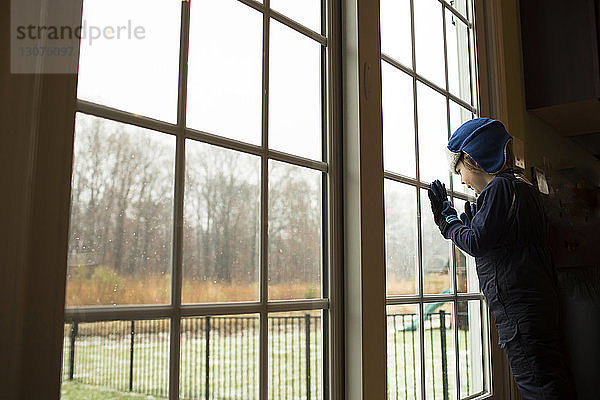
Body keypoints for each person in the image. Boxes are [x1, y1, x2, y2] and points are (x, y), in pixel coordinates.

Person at [427, 118, 575, 399]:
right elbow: (505, 245)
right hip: (540, 306)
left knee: (540, 389)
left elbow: (476, 242)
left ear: (474, 159)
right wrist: (474, 225)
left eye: (460, 171)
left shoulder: (499, 189)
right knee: (552, 382)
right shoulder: (524, 188)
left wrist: (448, 222)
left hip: (519, 314)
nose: (461, 180)